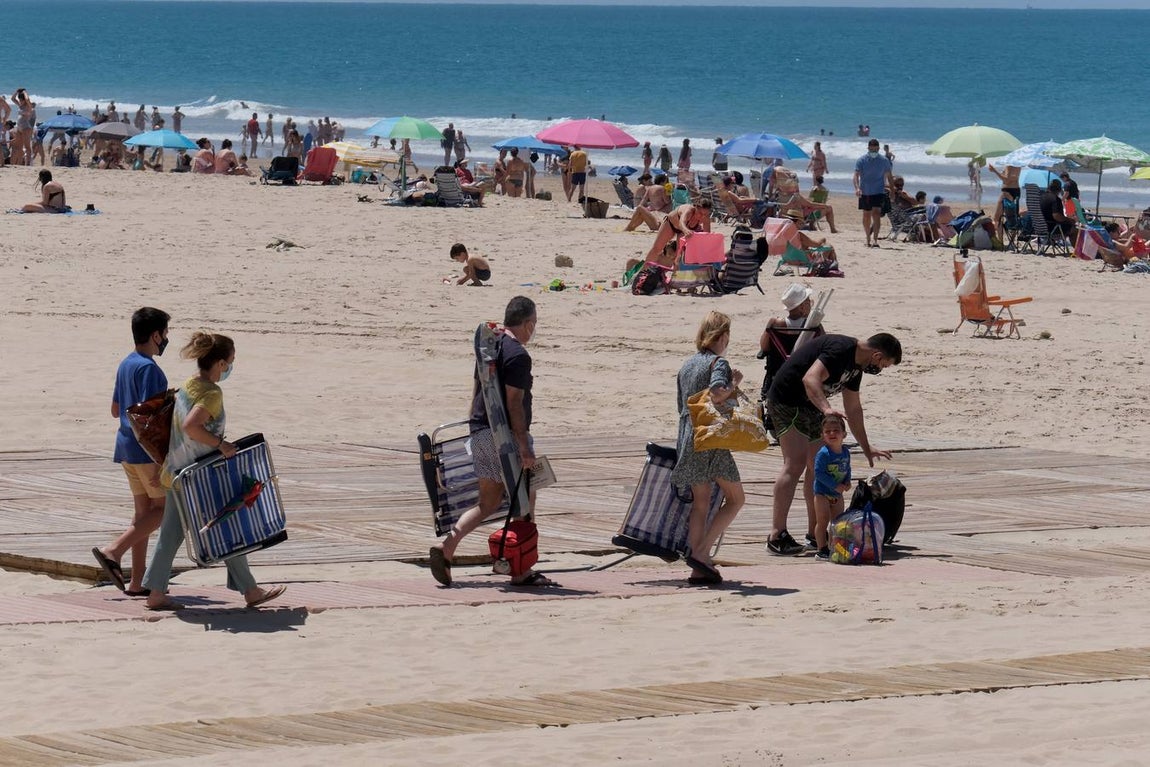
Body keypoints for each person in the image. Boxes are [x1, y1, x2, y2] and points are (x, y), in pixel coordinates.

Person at [140, 331, 287, 611]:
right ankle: (251, 591)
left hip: (176, 473)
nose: (231, 366)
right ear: (219, 363)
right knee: (227, 526)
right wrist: (222, 445)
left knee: (171, 535)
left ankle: (156, 593)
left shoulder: (188, 385)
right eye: (230, 361)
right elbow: (191, 427)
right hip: (199, 477)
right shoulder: (211, 393)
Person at [428, 297, 556, 588]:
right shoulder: (518, 355)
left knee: (488, 503)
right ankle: (520, 569)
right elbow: (514, 403)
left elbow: (478, 389)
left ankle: (447, 548)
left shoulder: (489, 346)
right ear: (528, 323)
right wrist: (524, 446)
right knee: (525, 501)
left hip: (480, 431)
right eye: (533, 325)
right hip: (505, 438)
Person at [764, 332, 900, 556]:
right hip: (786, 399)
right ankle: (777, 535)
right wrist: (827, 409)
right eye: (884, 365)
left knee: (818, 466)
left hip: (811, 406)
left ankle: (815, 534)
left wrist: (866, 447)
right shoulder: (840, 349)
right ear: (876, 355)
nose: (880, 369)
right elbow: (810, 379)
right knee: (795, 463)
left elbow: (854, 409)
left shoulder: (856, 367)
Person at [91, 307, 171, 596]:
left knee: (142, 518)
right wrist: (162, 460)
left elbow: (115, 410)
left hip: (124, 447)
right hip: (145, 451)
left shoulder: (126, 364)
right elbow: (154, 421)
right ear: (155, 334)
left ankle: (137, 583)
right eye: (165, 333)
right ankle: (113, 550)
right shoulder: (150, 369)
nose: (165, 339)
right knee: (163, 510)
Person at [671, 311, 746, 585]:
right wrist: (734, 383)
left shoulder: (688, 365)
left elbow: (681, 404)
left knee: (700, 504)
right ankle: (701, 554)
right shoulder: (719, 362)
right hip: (709, 439)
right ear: (723, 336)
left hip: (687, 437)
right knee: (736, 499)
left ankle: (698, 568)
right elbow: (717, 392)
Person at [758, 283, 824, 546]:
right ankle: (814, 529)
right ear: (804, 305)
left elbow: (763, 348)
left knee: (792, 463)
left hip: (776, 386)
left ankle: (780, 530)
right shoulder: (814, 328)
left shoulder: (776, 323)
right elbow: (821, 356)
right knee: (811, 465)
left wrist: (770, 326)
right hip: (804, 392)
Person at [812, 414, 851, 560]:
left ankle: (834, 547)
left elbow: (847, 468)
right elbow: (819, 473)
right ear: (822, 435)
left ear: (844, 434)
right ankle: (821, 548)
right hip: (822, 492)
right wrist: (835, 486)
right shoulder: (823, 454)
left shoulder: (846, 452)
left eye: (836, 430)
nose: (832, 434)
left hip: (837, 494)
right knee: (822, 521)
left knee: (836, 523)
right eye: (827, 431)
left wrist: (847, 481)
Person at [853, 138, 894, 247]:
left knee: (876, 213)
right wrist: (857, 188)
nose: (873, 152)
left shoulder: (884, 161)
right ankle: (868, 238)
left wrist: (893, 191)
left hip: (878, 191)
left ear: (878, 149)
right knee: (866, 215)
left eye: (875, 150)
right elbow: (856, 176)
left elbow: (890, 176)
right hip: (865, 191)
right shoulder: (861, 160)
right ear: (868, 148)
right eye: (872, 150)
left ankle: (875, 239)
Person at [643, 198, 712, 262]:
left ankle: (675, 273)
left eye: (705, 214)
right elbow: (681, 223)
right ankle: (644, 270)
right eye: (700, 213)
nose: (702, 216)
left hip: (684, 230)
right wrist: (686, 230)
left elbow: (706, 236)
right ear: (696, 208)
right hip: (671, 224)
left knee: (680, 253)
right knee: (657, 248)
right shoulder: (688, 210)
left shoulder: (706, 218)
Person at [986, 163, 1021, 233]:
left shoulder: (1009, 165)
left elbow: (1006, 181)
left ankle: (1000, 241)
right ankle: (1011, 241)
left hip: (1007, 192)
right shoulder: (1018, 164)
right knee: (1014, 217)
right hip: (1016, 191)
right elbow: (1011, 178)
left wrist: (994, 170)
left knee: (997, 218)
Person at [1040, 179, 1076, 243]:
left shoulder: (1040, 197)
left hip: (1037, 227)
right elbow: (1056, 216)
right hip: (1051, 228)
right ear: (1059, 190)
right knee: (1074, 229)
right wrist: (1068, 220)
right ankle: (1076, 251)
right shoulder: (1055, 199)